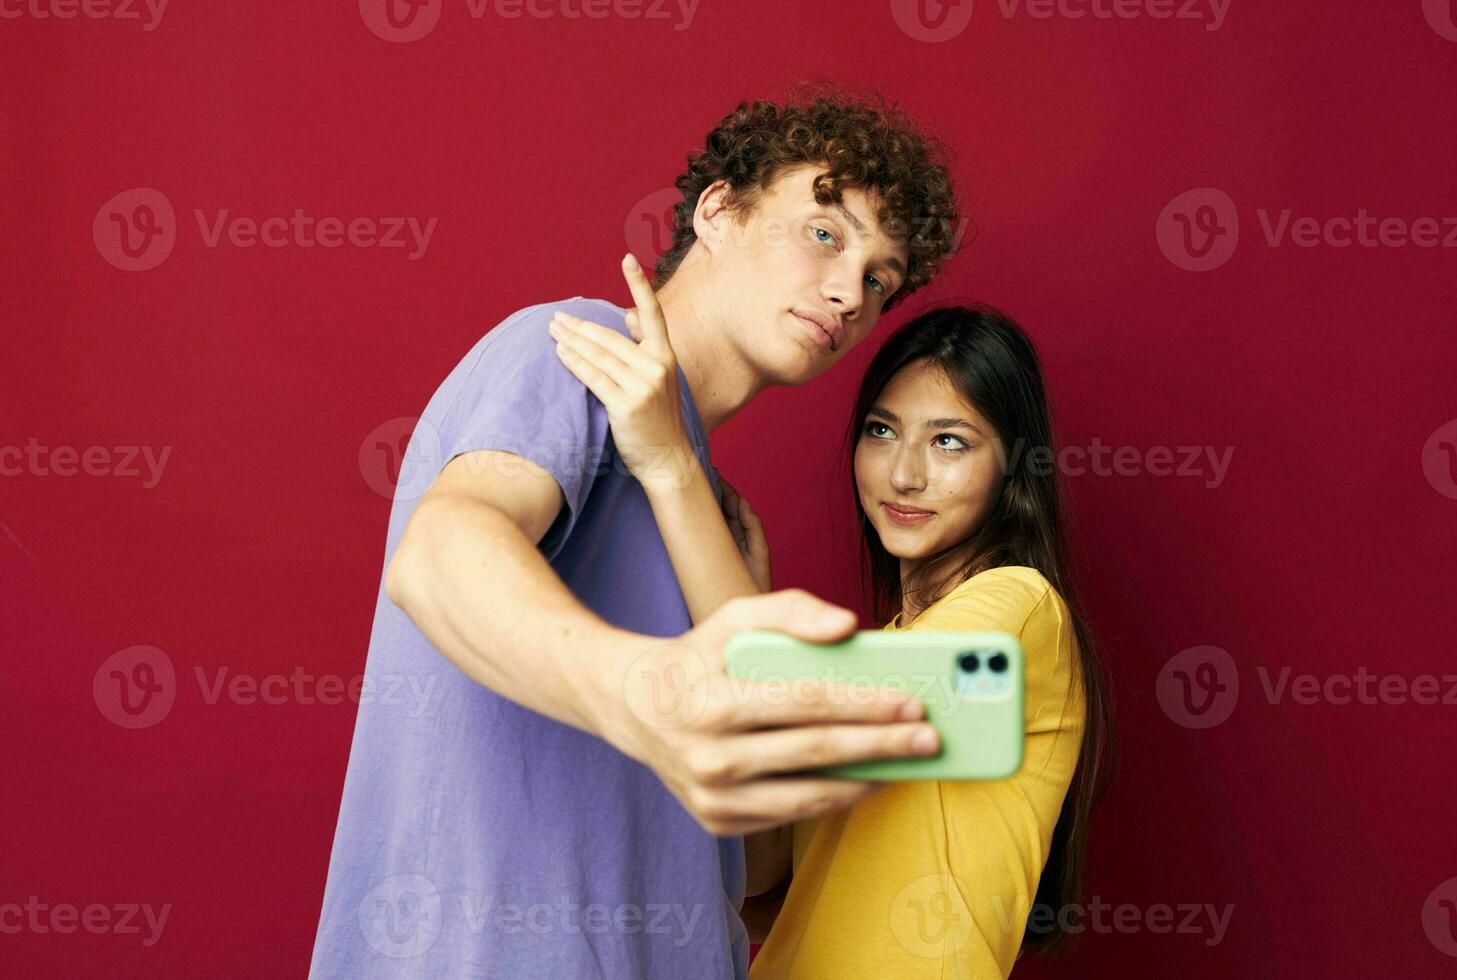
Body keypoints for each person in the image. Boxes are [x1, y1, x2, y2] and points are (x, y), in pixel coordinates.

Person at [308, 91, 961, 979]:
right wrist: (640, 690)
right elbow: (443, 549)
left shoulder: (715, 519)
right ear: (719, 212)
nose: (850, 292)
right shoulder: (572, 349)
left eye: (880, 278)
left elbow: (758, 868)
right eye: (824, 233)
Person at [550, 296, 1114, 977]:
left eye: (949, 441)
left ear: (1011, 468)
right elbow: (760, 872)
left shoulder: (1020, 611)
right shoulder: (892, 653)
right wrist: (745, 606)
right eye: (882, 431)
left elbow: (783, 703)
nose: (904, 473)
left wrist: (671, 466)